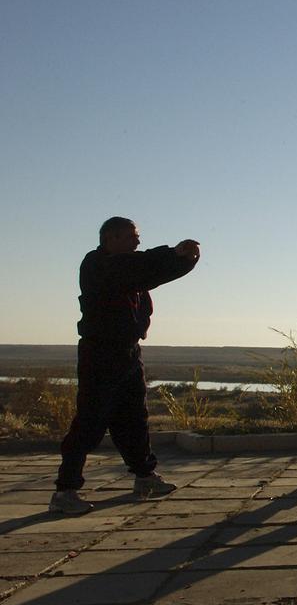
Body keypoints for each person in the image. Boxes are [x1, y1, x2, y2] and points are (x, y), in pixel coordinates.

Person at [51, 217, 201, 515]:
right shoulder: (98, 265)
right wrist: (174, 254)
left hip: (127, 352)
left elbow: (147, 282)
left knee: (133, 417)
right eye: (132, 237)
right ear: (112, 238)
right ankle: (65, 491)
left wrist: (183, 261)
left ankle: (144, 477)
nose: (137, 242)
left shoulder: (129, 271)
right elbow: (143, 268)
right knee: (91, 421)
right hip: (100, 354)